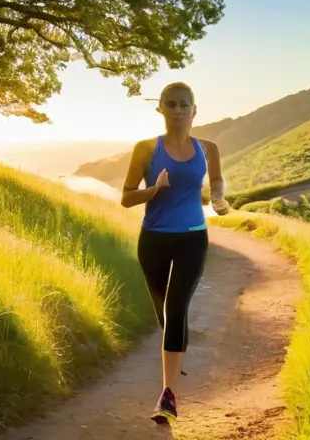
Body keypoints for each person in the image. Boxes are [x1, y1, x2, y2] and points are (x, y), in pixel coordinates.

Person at [120, 81, 231, 425]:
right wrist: (155, 189)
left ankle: (167, 395)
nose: (178, 110)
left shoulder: (208, 148)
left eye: (185, 104)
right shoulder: (145, 149)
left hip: (192, 239)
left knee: (176, 306)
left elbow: (217, 180)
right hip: (152, 240)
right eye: (171, 104)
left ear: (195, 110)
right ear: (161, 110)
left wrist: (218, 198)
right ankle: (175, 356)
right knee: (164, 314)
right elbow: (126, 197)